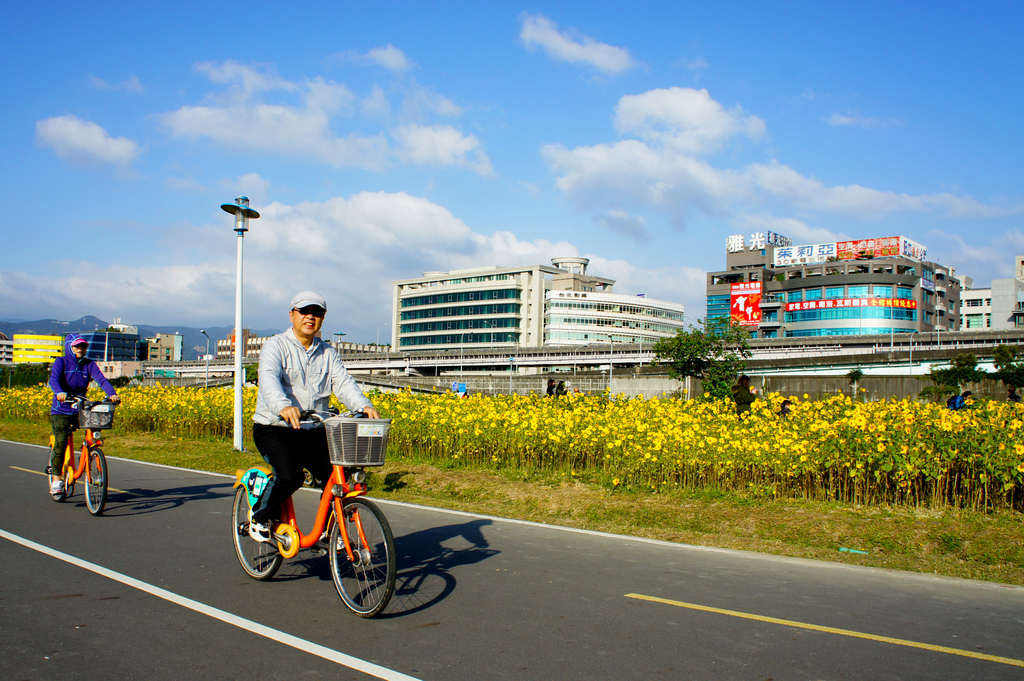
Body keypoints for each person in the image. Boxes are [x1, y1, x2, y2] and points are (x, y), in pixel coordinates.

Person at [249, 292, 380, 542]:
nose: (311, 316)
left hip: (312, 429)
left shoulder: (328, 353)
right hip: (275, 427)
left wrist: (364, 405)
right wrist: (283, 406)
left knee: (339, 475)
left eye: (317, 312)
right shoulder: (275, 345)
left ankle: (331, 531)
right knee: (291, 476)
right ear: (292, 315)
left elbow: (343, 383)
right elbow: (268, 379)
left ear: (322, 318)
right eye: (304, 311)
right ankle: (260, 517)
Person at [47, 334, 120, 494]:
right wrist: (60, 392)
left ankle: (91, 459)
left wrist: (112, 394)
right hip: (62, 409)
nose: (80, 349)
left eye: (83, 346)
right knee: (61, 440)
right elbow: (53, 380)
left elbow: (101, 379)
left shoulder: (89, 364)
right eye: (76, 346)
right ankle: (57, 478)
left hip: (80, 407)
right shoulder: (62, 362)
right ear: (69, 347)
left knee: (93, 433)